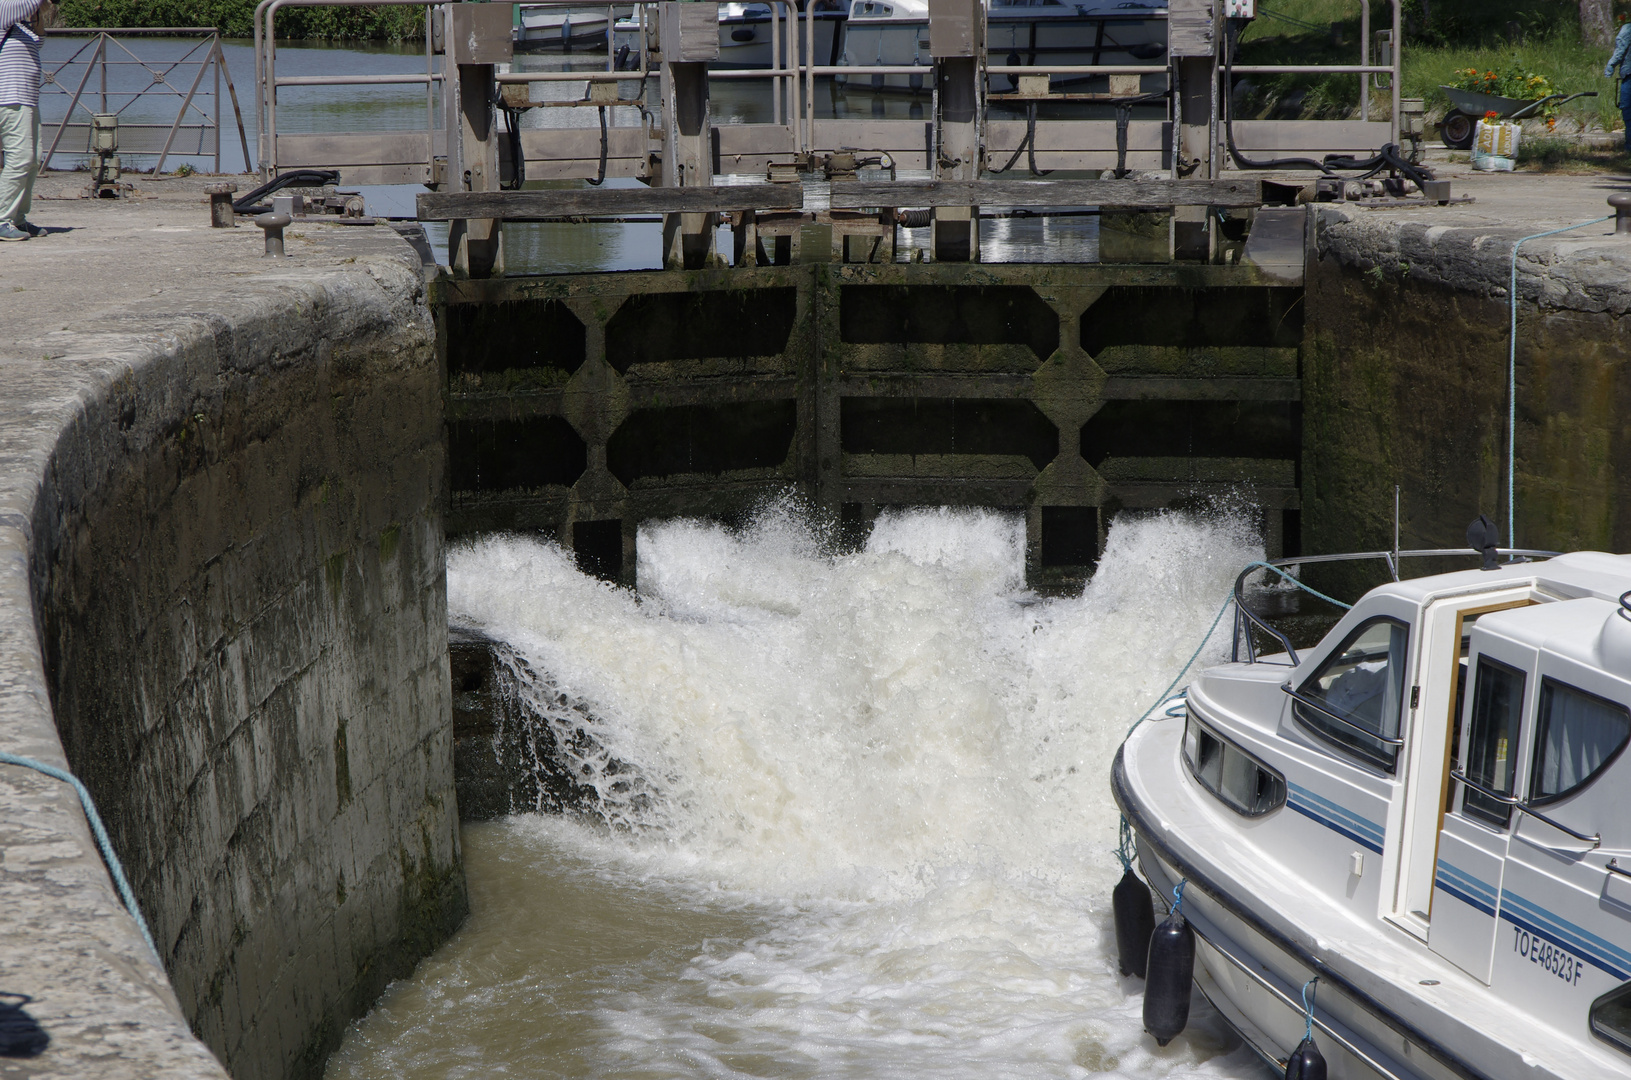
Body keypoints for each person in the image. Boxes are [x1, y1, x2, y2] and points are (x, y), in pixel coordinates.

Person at [0, 0, 44, 241]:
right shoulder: (3, 9)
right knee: (20, 158)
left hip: (26, 100)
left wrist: (41, 15)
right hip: (7, 98)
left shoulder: (20, 24)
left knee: (33, 159)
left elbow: (39, 39)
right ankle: (1, 219)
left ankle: (18, 218)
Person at [1606, 13, 1631, 154]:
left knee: (1628, 110)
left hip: (1629, 76)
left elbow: (1620, 50)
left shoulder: (1627, 30)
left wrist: (1611, 65)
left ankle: (1630, 146)